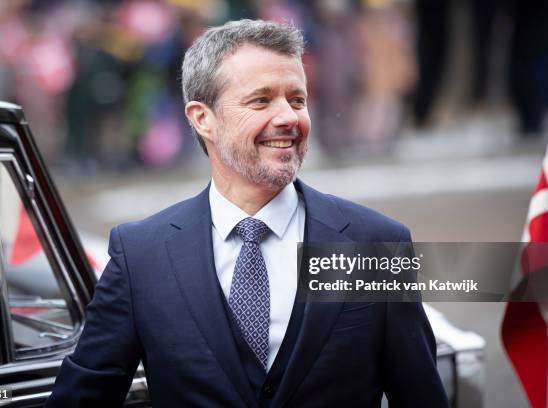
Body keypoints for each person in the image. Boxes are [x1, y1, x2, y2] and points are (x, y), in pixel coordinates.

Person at [46, 19, 448, 407]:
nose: (289, 117)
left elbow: (419, 395)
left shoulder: (374, 243)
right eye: (261, 100)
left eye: (297, 99)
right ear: (203, 119)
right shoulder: (141, 255)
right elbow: (83, 396)